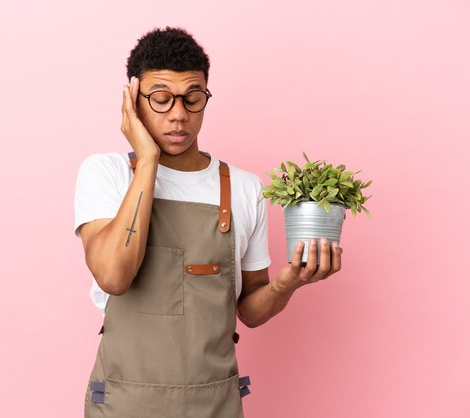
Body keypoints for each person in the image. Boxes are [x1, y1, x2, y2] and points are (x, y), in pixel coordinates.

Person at [73, 26, 343, 418]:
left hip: (214, 405)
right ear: (133, 99)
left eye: (193, 98)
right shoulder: (106, 173)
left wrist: (288, 283)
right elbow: (114, 276)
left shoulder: (244, 189)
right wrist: (147, 160)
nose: (179, 115)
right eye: (161, 99)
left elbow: (250, 310)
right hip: (123, 404)